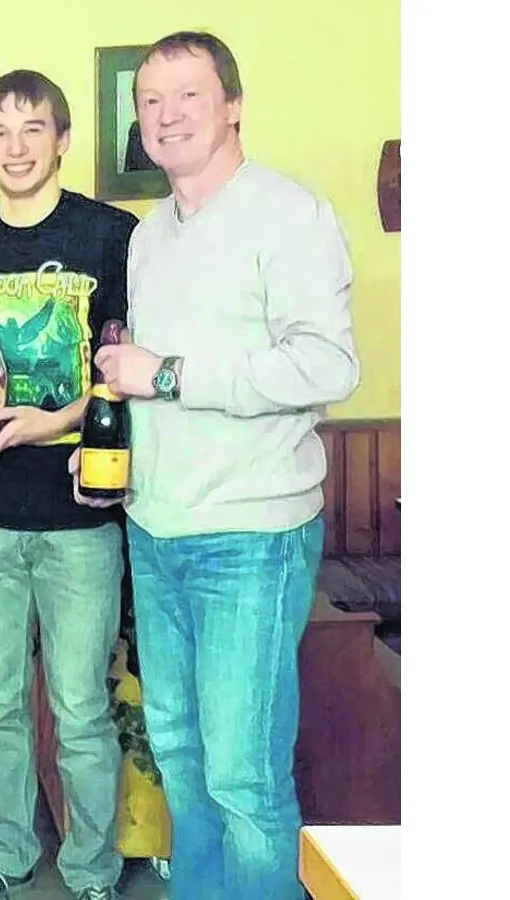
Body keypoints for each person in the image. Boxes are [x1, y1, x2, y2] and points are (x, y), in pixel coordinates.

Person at [87, 31, 359, 900]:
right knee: (180, 757)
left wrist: (168, 374)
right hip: (155, 528)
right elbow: (148, 381)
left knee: (244, 779)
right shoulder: (149, 235)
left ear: (233, 105)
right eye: (151, 101)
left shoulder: (290, 215)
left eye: (188, 95)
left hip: (250, 538)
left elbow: (328, 367)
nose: (166, 115)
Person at [0, 70, 138, 900]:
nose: (15, 148)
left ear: (63, 139)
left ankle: (92, 870)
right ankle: (10, 854)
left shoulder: (110, 235)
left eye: (32, 129)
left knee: (81, 710)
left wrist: (50, 423)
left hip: (78, 517)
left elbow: (122, 369)